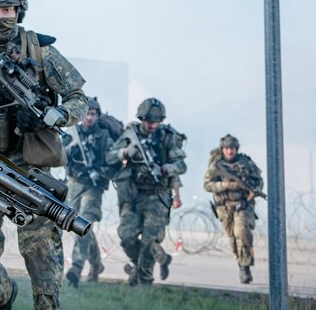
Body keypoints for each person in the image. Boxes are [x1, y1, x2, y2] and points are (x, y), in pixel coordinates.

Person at [0, 0, 88, 310]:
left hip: (30, 167)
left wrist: (54, 116)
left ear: (19, 11)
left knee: (41, 251)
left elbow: (78, 97)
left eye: (7, 11)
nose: (0, 18)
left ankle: (47, 304)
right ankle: (3, 292)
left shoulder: (40, 50)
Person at [107, 98, 187, 286]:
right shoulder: (130, 134)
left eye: (156, 122)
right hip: (132, 195)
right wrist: (125, 152)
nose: (152, 125)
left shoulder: (168, 136)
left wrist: (165, 169)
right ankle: (143, 265)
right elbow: (110, 156)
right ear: (142, 119)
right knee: (126, 237)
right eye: (149, 121)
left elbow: (181, 165)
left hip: (157, 195)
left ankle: (143, 282)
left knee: (149, 241)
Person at [63, 97, 117, 287]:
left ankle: (76, 269)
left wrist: (123, 153)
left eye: (93, 114)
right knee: (78, 227)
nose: (89, 117)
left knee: (83, 221)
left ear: (98, 116)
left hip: (94, 187)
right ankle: (96, 264)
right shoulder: (72, 133)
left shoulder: (104, 136)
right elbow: (59, 155)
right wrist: (71, 148)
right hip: (74, 184)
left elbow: (112, 156)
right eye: (86, 113)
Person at [203, 134, 263, 284]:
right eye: (227, 148)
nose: (230, 151)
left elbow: (258, 181)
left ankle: (245, 267)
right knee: (232, 239)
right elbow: (207, 185)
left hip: (242, 205)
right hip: (224, 207)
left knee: (242, 233)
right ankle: (240, 262)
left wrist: (253, 191)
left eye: (232, 148)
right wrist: (224, 185)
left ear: (237, 149)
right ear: (222, 149)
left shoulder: (246, 163)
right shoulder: (216, 166)